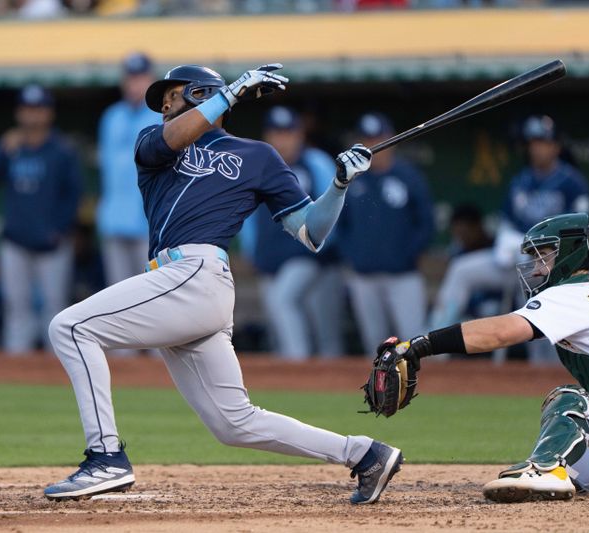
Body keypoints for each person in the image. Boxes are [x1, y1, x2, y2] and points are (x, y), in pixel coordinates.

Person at [44, 63, 402, 505]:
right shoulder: (156, 144)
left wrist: (339, 186)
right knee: (234, 424)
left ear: (196, 94)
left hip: (197, 274)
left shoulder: (260, 156)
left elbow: (311, 232)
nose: (162, 107)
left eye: (171, 97)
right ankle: (364, 454)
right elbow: (175, 136)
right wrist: (229, 95)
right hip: (177, 281)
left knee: (71, 327)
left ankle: (106, 457)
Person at [382, 213, 589, 502]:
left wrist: (422, 345)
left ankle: (544, 468)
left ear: (572, 253)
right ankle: (557, 471)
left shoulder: (575, 292)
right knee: (578, 470)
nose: (536, 269)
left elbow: (500, 333)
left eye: (544, 256)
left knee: (571, 401)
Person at [427, 115, 589, 364]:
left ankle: (542, 369)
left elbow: (581, 229)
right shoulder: (521, 180)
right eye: (534, 142)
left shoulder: (572, 182)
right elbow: (507, 222)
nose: (538, 148)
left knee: (537, 309)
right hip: (516, 259)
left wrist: (544, 251)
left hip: (552, 268)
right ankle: (434, 347)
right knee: (462, 270)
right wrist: (507, 243)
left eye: (544, 142)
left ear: (556, 146)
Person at [241, 106, 343, 359]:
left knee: (317, 326)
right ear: (268, 136)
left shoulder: (315, 162)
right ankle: (293, 377)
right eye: (277, 133)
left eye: (288, 133)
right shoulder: (259, 166)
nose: (282, 139)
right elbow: (248, 215)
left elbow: (334, 206)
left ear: (300, 134)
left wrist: (323, 244)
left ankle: (299, 365)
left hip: (309, 257)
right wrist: (252, 251)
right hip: (270, 259)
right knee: (278, 322)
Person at [0, 85, 83, 353]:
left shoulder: (62, 150)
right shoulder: (11, 145)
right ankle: (17, 370)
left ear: (48, 113)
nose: (33, 115)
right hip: (15, 240)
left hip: (51, 243)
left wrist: (59, 231)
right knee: (16, 308)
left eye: (38, 109)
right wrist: (3, 152)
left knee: (55, 310)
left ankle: (55, 370)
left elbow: (74, 195)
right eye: (28, 109)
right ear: (19, 112)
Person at [337, 112, 435, 354]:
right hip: (364, 277)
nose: (374, 145)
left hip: (403, 276)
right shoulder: (351, 179)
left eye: (379, 138)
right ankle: (381, 392)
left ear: (392, 139)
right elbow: (339, 225)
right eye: (367, 139)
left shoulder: (408, 176)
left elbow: (427, 223)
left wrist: (409, 255)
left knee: (415, 343)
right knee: (375, 347)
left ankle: (426, 390)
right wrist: (354, 257)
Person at [96, 52, 160, 287]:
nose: (135, 84)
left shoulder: (163, 116)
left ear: (151, 79)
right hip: (113, 220)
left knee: (151, 295)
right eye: (131, 78)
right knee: (117, 297)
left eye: (141, 78)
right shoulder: (111, 116)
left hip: (149, 224)